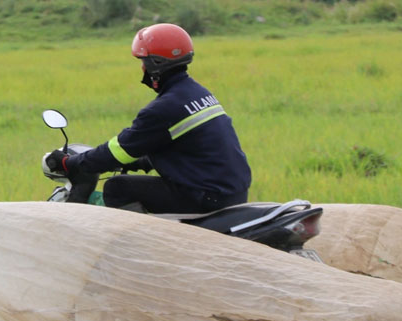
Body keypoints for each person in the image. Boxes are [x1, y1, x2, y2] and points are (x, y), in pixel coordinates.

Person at [46, 23, 251, 214]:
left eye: (143, 62)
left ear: (155, 65)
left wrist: (70, 163)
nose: (142, 68)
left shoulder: (164, 108)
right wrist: (142, 160)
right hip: (231, 193)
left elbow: (119, 150)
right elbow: (185, 148)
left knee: (117, 187)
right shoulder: (199, 94)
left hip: (206, 197)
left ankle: (135, 247)